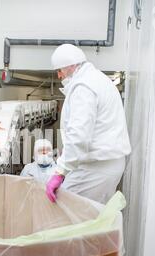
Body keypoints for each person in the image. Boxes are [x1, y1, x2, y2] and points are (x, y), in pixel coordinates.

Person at [46, 44, 131, 204]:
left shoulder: (84, 86)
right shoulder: (96, 79)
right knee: (87, 218)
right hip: (103, 165)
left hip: (96, 168)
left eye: (59, 70)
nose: (58, 76)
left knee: (63, 209)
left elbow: (79, 136)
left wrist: (60, 172)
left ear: (71, 66)